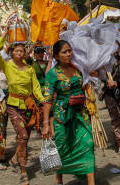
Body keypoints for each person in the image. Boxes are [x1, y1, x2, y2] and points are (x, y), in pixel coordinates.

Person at [42, 40, 95, 185]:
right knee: (63, 147)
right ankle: (59, 178)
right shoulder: (52, 74)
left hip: (81, 114)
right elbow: (47, 100)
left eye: (70, 51)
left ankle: (91, 181)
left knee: (87, 143)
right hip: (62, 116)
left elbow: (85, 85)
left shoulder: (78, 68)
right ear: (57, 56)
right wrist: (46, 124)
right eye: (64, 52)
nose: (69, 54)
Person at [0, 33, 44, 185]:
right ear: (12, 52)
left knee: (25, 139)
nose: (19, 53)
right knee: (22, 136)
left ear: (25, 53)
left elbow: (35, 87)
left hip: (29, 107)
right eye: (16, 51)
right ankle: (24, 171)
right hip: (13, 106)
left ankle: (16, 159)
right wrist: (4, 37)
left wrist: (43, 101)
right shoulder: (7, 65)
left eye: (22, 51)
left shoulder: (29, 69)